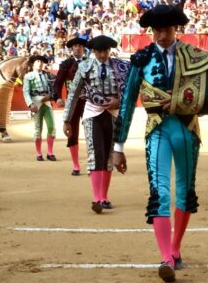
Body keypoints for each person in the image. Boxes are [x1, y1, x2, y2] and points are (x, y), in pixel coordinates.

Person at [112, 5, 208, 283]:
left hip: (186, 128)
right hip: (157, 128)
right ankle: (166, 257)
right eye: (157, 30)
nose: (161, 35)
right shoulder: (141, 59)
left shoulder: (194, 55)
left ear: (176, 29)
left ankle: (174, 247)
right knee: (160, 191)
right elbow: (127, 102)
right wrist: (119, 146)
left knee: (185, 190)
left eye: (167, 30)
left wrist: (181, 102)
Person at [64, 35, 130, 213]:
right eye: (99, 51)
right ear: (93, 52)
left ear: (109, 50)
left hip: (113, 113)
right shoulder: (85, 66)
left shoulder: (120, 66)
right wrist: (67, 119)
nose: (103, 55)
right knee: (96, 152)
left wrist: (119, 102)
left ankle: (104, 197)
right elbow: (73, 93)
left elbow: (130, 91)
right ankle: (96, 198)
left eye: (105, 51)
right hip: (92, 113)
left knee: (108, 154)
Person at [51, 36, 89, 173]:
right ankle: (76, 165)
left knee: (91, 132)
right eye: (75, 46)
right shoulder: (66, 64)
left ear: (84, 49)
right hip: (73, 102)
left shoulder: (91, 63)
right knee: (72, 133)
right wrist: (58, 98)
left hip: (88, 102)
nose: (77, 48)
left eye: (80, 46)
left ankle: (92, 163)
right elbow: (57, 83)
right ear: (72, 49)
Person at [22, 54, 58, 165]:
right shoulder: (28, 76)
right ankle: (39, 153)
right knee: (38, 128)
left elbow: (55, 87)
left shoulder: (48, 75)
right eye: (38, 61)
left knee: (51, 127)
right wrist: (30, 104)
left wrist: (51, 96)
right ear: (33, 64)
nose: (40, 63)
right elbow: (26, 92)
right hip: (36, 103)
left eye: (42, 61)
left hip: (46, 102)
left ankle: (50, 152)